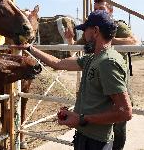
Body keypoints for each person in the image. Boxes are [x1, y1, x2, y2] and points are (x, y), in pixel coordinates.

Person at [11, 10, 133, 150]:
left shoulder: (107, 62)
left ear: (95, 31)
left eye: (85, 30)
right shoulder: (94, 58)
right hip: (86, 136)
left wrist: (82, 119)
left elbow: (125, 112)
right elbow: (58, 63)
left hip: (97, 142)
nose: (84, 36)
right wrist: (30, 48)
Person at [65, 0, 140, 150]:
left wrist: (107, 37)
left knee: (118, 125)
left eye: (101, 8)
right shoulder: (92, 28)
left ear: (111, 11)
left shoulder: (119, 26)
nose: (97, 11)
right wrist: (70, 39)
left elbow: (133, 41)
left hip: (115, 80)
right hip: (99, 81)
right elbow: (76, 47)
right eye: (95, 9)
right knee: (99, 123)